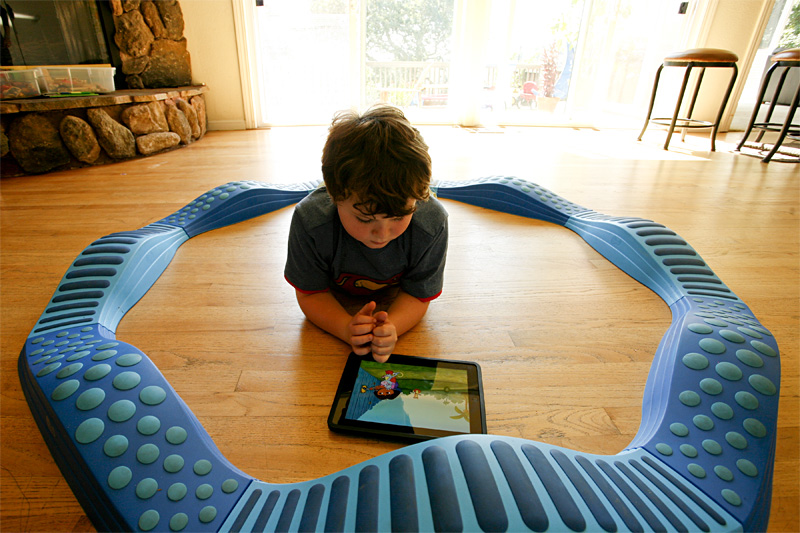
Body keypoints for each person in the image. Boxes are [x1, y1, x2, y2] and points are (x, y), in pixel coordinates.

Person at [284, 105, 448, 362]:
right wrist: (345, 328)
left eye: (398, 217)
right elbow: (310, 292)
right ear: (334, 196)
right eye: (365, 218)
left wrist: (392, 327)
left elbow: (418, 293)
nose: (381, 234)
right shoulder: (311, 221)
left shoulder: (431, 223)